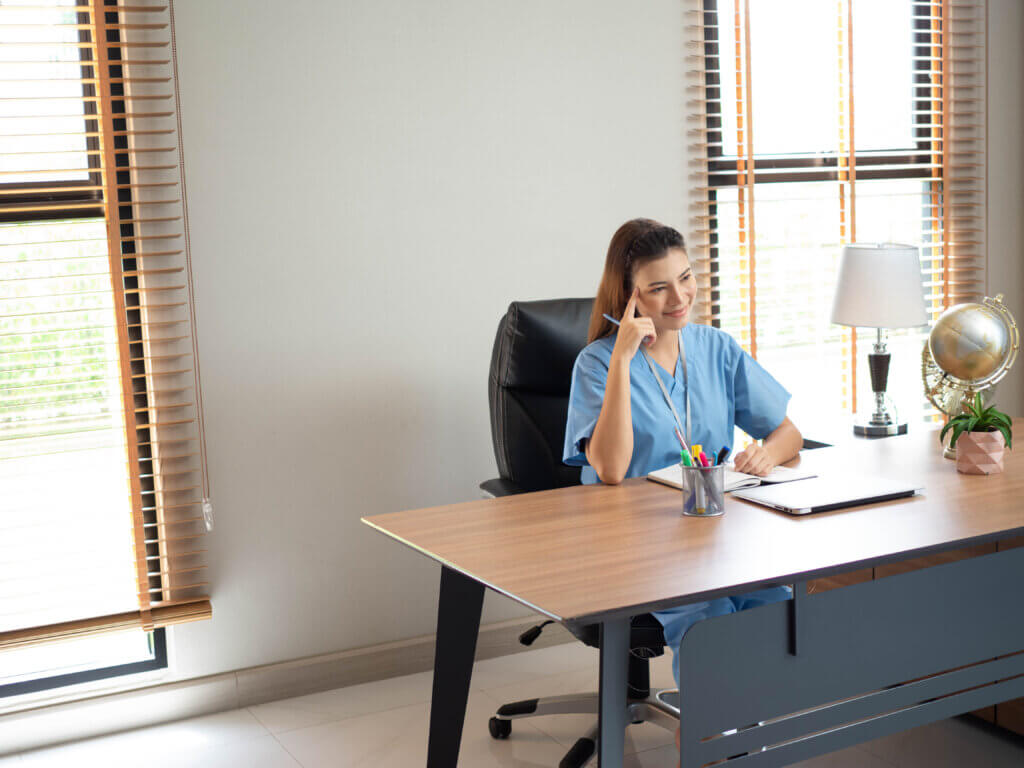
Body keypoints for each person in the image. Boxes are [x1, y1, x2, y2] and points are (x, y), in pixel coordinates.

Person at [562, 218, 803, 700]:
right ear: (629, 299)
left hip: (714, 534)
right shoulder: (597, 363)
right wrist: (622, 361)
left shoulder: (715, 348)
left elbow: (789, 433)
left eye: (686, 278)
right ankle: (705, 738)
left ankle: (754, 729)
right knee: (711, 618)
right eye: (658, 288)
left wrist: (764, 454)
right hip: (635, 547)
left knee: (775, 603)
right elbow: (609, 469)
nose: (679, 297)